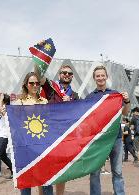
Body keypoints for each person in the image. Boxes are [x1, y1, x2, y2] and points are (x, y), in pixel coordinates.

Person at [87, 65, 130, 195]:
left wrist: (127, 100)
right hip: (97, 140)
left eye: (102, 75)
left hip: (115, 138)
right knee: (94, 172)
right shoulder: (89, 97)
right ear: (94, 78)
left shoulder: (115, 94)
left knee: (117, 171)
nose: (100, 78)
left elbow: (125, 113)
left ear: (106, 76)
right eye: (97, 76)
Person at [36, 63, 79, 195]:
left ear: (72, 77)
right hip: (49, 135)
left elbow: (79, 115)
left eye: (69, 74)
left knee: (61, 171)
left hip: (65, 137)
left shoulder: (75, 96)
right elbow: (38, 75)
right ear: (59, 74)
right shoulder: (52, 88)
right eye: (64, 73)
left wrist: (71, 105)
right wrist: (41, 55)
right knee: (44, 169)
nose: (66, 75)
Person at [15, 72, 53, 195]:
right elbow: (14, 123)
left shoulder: (44, 101)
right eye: (31, 83)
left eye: (37, 83)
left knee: (46, 181)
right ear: (26, 85)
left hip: (41, 146)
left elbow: (49, 122)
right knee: (26, 181)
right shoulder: (19, 102)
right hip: (25, 147)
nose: (35, 85)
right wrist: (5, 111)